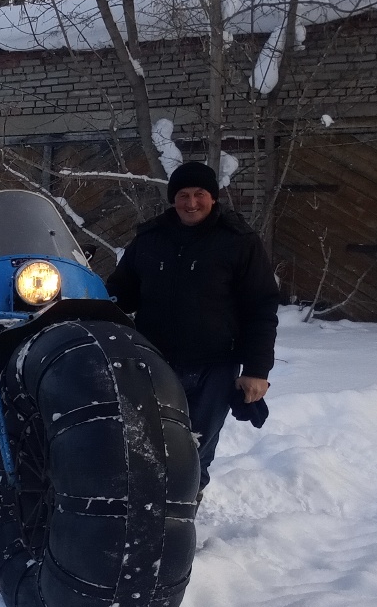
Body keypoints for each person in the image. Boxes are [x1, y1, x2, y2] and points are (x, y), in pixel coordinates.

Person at [106, 161, 279, 492]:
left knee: (193, 453)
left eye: (199, 194)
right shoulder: (150, 239)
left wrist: (257, 368)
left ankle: (178, 526)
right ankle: (143, 519)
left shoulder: (238, 241)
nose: (191, 203)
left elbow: (260, 307)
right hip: (152, 364)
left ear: (213, 197)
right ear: (173, 199)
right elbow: (120, 295)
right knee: (144, 449)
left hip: (213, 367)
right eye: (183, 195)